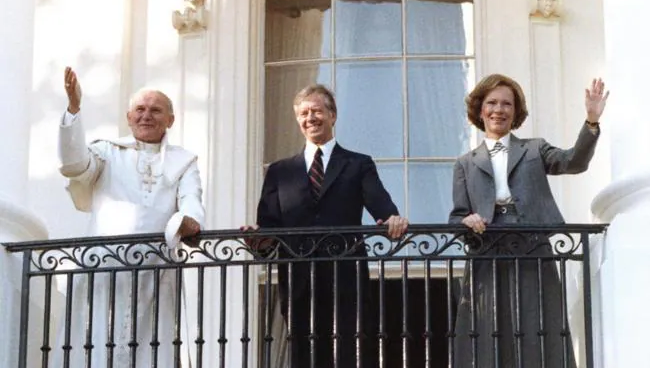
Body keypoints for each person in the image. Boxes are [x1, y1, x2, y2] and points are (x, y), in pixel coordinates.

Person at [448, 74, 608, 368]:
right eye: (492, 103)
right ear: (480, 110)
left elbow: (574, 161)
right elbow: (457, 216)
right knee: (487, 330)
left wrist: (591, 121)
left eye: (507, 104)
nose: (499, 109)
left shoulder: (534, 149)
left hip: (533, 247)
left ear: (516, 111)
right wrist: (467, 220)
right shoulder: (465, 163)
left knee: (540, 324)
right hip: (486, 251)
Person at [244, 84, 408, 368]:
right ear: (298, 120)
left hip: (345, 275)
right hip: (297, 276)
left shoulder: (358, 164)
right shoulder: (279, 171)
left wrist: (393, 219)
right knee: (304, 355)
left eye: (317, 110)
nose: (311, 118)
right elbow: (269, 227)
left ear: (332, 115)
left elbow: (382, 208)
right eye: (304, 113)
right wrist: (258, 240)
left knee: (348, 352)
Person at [52, 67, 204, 367]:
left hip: (155, 272)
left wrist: (188, 221)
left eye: (156, 110)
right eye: (140, 109)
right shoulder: (107, 152)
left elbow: (191, 201)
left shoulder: (183, 161)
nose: (146, 115)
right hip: (102, 268)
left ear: (170, 120)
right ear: (129, 116)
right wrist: (73, 110)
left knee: (150, 350)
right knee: (93, 347)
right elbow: (74, 164)